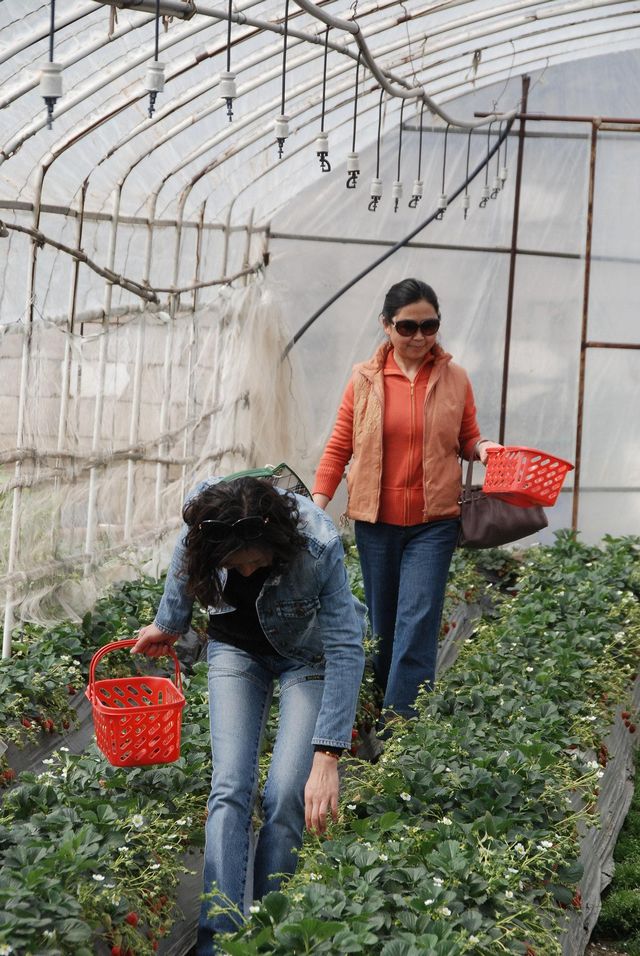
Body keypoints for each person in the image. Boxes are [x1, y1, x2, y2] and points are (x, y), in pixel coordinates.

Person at [131, 476, 365, 956]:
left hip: (307, 656)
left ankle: (268, 934)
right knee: (231, 786)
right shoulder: (206, 526)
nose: (247, 568)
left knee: (284, 793)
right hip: (236, 651)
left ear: (276, 541)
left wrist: (328, 757)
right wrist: (168, 623)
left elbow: (345, 645)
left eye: (255, 558)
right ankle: (216, 941)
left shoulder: (318, 544)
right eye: (234, 564)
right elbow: (184, 557)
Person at [312, 277, 501, 721]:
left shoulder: (455, 378)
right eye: (408, 326)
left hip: (433, 521)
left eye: (429, 326)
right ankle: (380, 697)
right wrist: (314, 508)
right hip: (376, 520)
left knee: (417, 618)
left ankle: (402, 722)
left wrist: (485, 448)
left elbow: (467, 437)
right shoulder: (364, 379)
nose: (419, 336)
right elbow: (340, 446)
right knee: (385, 621)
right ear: (386, 325)